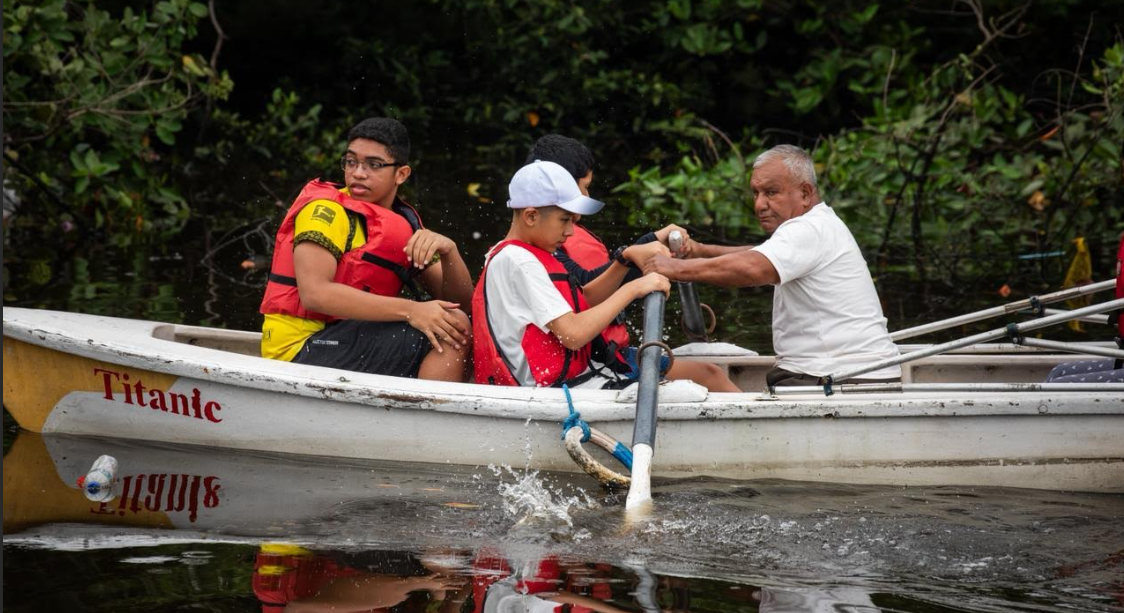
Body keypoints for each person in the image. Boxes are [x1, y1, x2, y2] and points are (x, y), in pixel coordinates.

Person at [639, 144, 902, 389]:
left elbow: (754, 268)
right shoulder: (819, 223)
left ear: (805, 193)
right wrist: (699, 251)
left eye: (771, 192)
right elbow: (759, 254)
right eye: (756, 193)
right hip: (851, 373)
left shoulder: (808, 228)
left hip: (845, 378)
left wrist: (673, 269)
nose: (759, 205)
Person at [472, 160, 739, 392]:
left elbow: (585, 300)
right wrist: (634, 288)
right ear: (530, 216)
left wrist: (623, 260)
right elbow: (573, 335)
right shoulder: (520, 261)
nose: (570, 232)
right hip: (557, 391)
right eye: (564, 220)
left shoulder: (524, 253)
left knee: (709, 374)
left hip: (575, 378)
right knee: (709, 376)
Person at [259, 117, 473, 382]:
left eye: (373, 165)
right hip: (299, 348)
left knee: (454, 319)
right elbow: (315, 294)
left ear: (402, 174)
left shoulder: (401, 227)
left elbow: (461, 302)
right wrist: (412, 310)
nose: (358, 173)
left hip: (344, 338)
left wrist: (450, 252)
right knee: (451, 329)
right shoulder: (325, 212)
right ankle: (427, 421)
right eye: (351, 162)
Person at [524, 134, 691, 352]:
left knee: (709, 373)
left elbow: (585, 289)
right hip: (586, 370)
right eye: (584, 187)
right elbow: (582, 296)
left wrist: (639, 249)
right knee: (709, 374)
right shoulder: (525, 258)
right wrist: (633, 277)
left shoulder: (543, 243)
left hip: (599, 359)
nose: (572, 227)